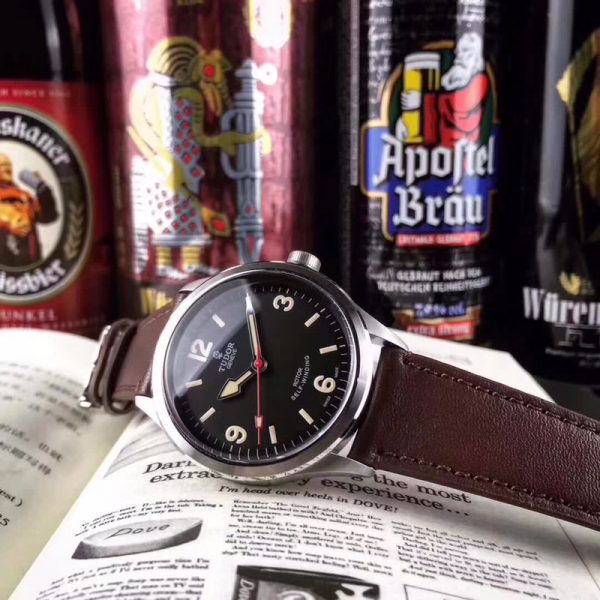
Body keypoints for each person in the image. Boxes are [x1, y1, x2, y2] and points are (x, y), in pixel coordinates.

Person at [400, 32, 491, 147]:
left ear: (476, 55)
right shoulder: (452, 79)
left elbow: (459, 105)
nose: (458, 55)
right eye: (458, 51)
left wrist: (422, 100)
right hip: (442, 146)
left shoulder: (481, 80)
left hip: (464, 149)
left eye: (464, 50)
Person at [0, 154, 58, 268]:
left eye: (8, 165)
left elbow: (48, 217)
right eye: (2, 165)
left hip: (30, 263)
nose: (7, 168)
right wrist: (8, 227)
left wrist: (43, 191)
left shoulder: (25, 196)